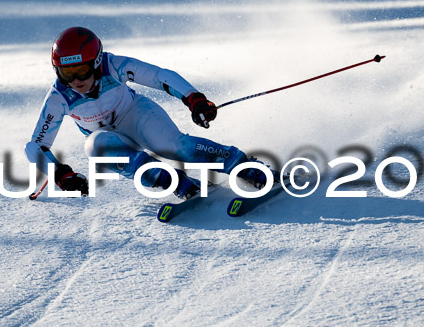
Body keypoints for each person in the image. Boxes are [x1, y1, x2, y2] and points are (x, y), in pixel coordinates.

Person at [25, 26, 272, 199]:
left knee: (176, 148)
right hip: (110, 138)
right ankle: (175, 182)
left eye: (82, 70)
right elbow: (35, 146)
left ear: (97, 62)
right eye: (68, 73)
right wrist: (60, 174)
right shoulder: (59, 97)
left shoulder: (113, 66)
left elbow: (158, 76)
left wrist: (193, 98)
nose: (76, 80)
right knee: (94, 147)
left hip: (136, 115)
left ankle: (243, 165)